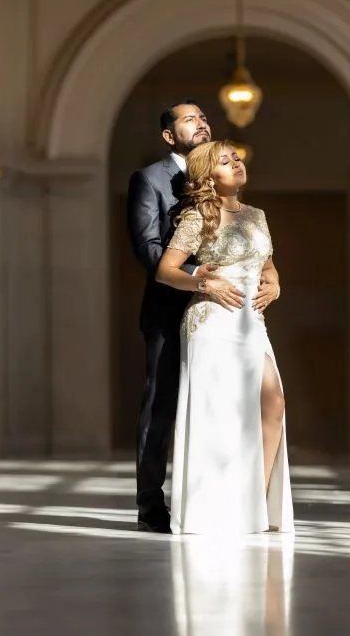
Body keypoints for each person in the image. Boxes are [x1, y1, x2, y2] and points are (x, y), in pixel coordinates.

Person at [127, 100, 281, 533]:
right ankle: (152, 506)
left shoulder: (245, 205)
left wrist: (271, 278)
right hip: (174, 308)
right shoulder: (151, 179)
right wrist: (200, 277)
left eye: (203, 117)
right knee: (163, 408)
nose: (202, 123)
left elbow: (260, 251)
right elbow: (149, 248)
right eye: (190, 119)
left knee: (248, 405)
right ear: (168, 134)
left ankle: (243, 501)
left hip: (234, 311)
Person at [156, 140, 294, 534]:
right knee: (219, 412)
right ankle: (213, 510)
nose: (236, 163)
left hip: (251, 320)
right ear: (206, 176)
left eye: (237, 157)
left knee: (274, 402)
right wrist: (202, 282)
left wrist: (277, 283)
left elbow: (266, 263)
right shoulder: (199, 216)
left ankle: (256, 502)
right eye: (225, 160)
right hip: (213, 318)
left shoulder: (257, 215)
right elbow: (166, 270)